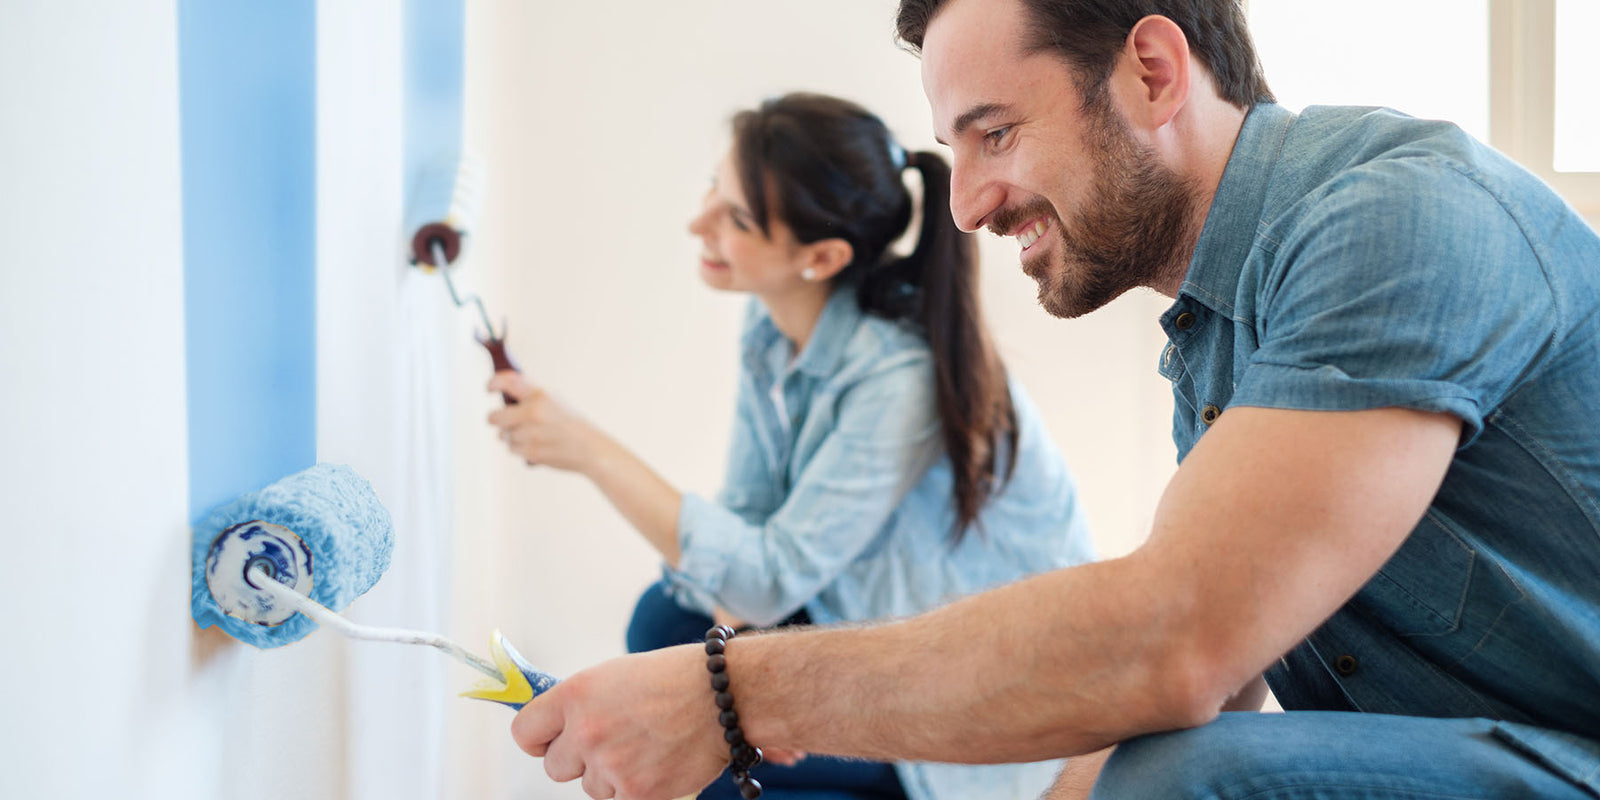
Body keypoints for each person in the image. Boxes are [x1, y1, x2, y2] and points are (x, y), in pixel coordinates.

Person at [504, 1, 1600, 798]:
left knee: (1184, 780)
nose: (967, 205)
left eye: (996, 132)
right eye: (956, 148)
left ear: (1153, 72)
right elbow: (1225, 661)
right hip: (1472, 747)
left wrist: (733, 692)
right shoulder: (1215, 339)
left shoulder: (1395, 217)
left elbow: (1180, 641)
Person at [486, 91, 1094, 800]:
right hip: (866, 619)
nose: (698, 224)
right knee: (669, 623)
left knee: (708, 752)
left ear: (821, 257)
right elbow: (749, 525)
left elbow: (767, 580)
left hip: (968, 702)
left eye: (737, 219)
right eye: (714, 189)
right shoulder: (772, 329)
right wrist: (740, 673)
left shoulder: (901, 380)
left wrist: (589, 451)